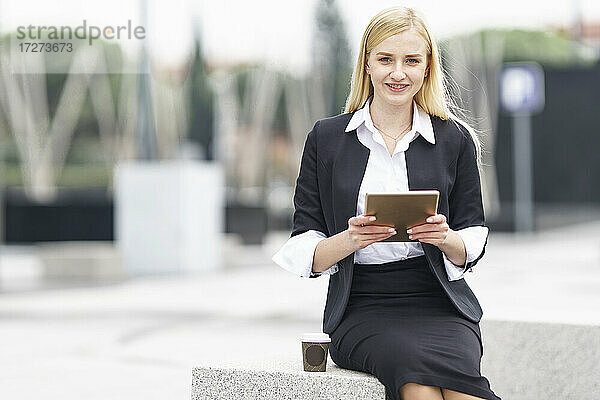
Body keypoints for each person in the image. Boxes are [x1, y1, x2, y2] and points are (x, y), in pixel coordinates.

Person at [272, 6, 501, 400]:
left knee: (465, 391)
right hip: (362, 306)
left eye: (411, 60)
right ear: (367, 64)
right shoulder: (326, 139)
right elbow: (303, 245)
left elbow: (473, 237)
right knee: (417, 382)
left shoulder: (454, 139)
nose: (398, 73)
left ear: (428, 68)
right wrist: (351, 239)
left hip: (441, 302)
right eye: (385, 59)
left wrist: (444, 238)